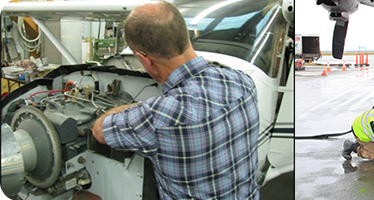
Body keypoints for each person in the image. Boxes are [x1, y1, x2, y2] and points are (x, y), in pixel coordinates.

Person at [90, 1, 260, 199]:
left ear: (145, 59)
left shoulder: (160, 116)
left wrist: (137, 106)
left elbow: (99, 131)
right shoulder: (243, 81)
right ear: (185, 34)